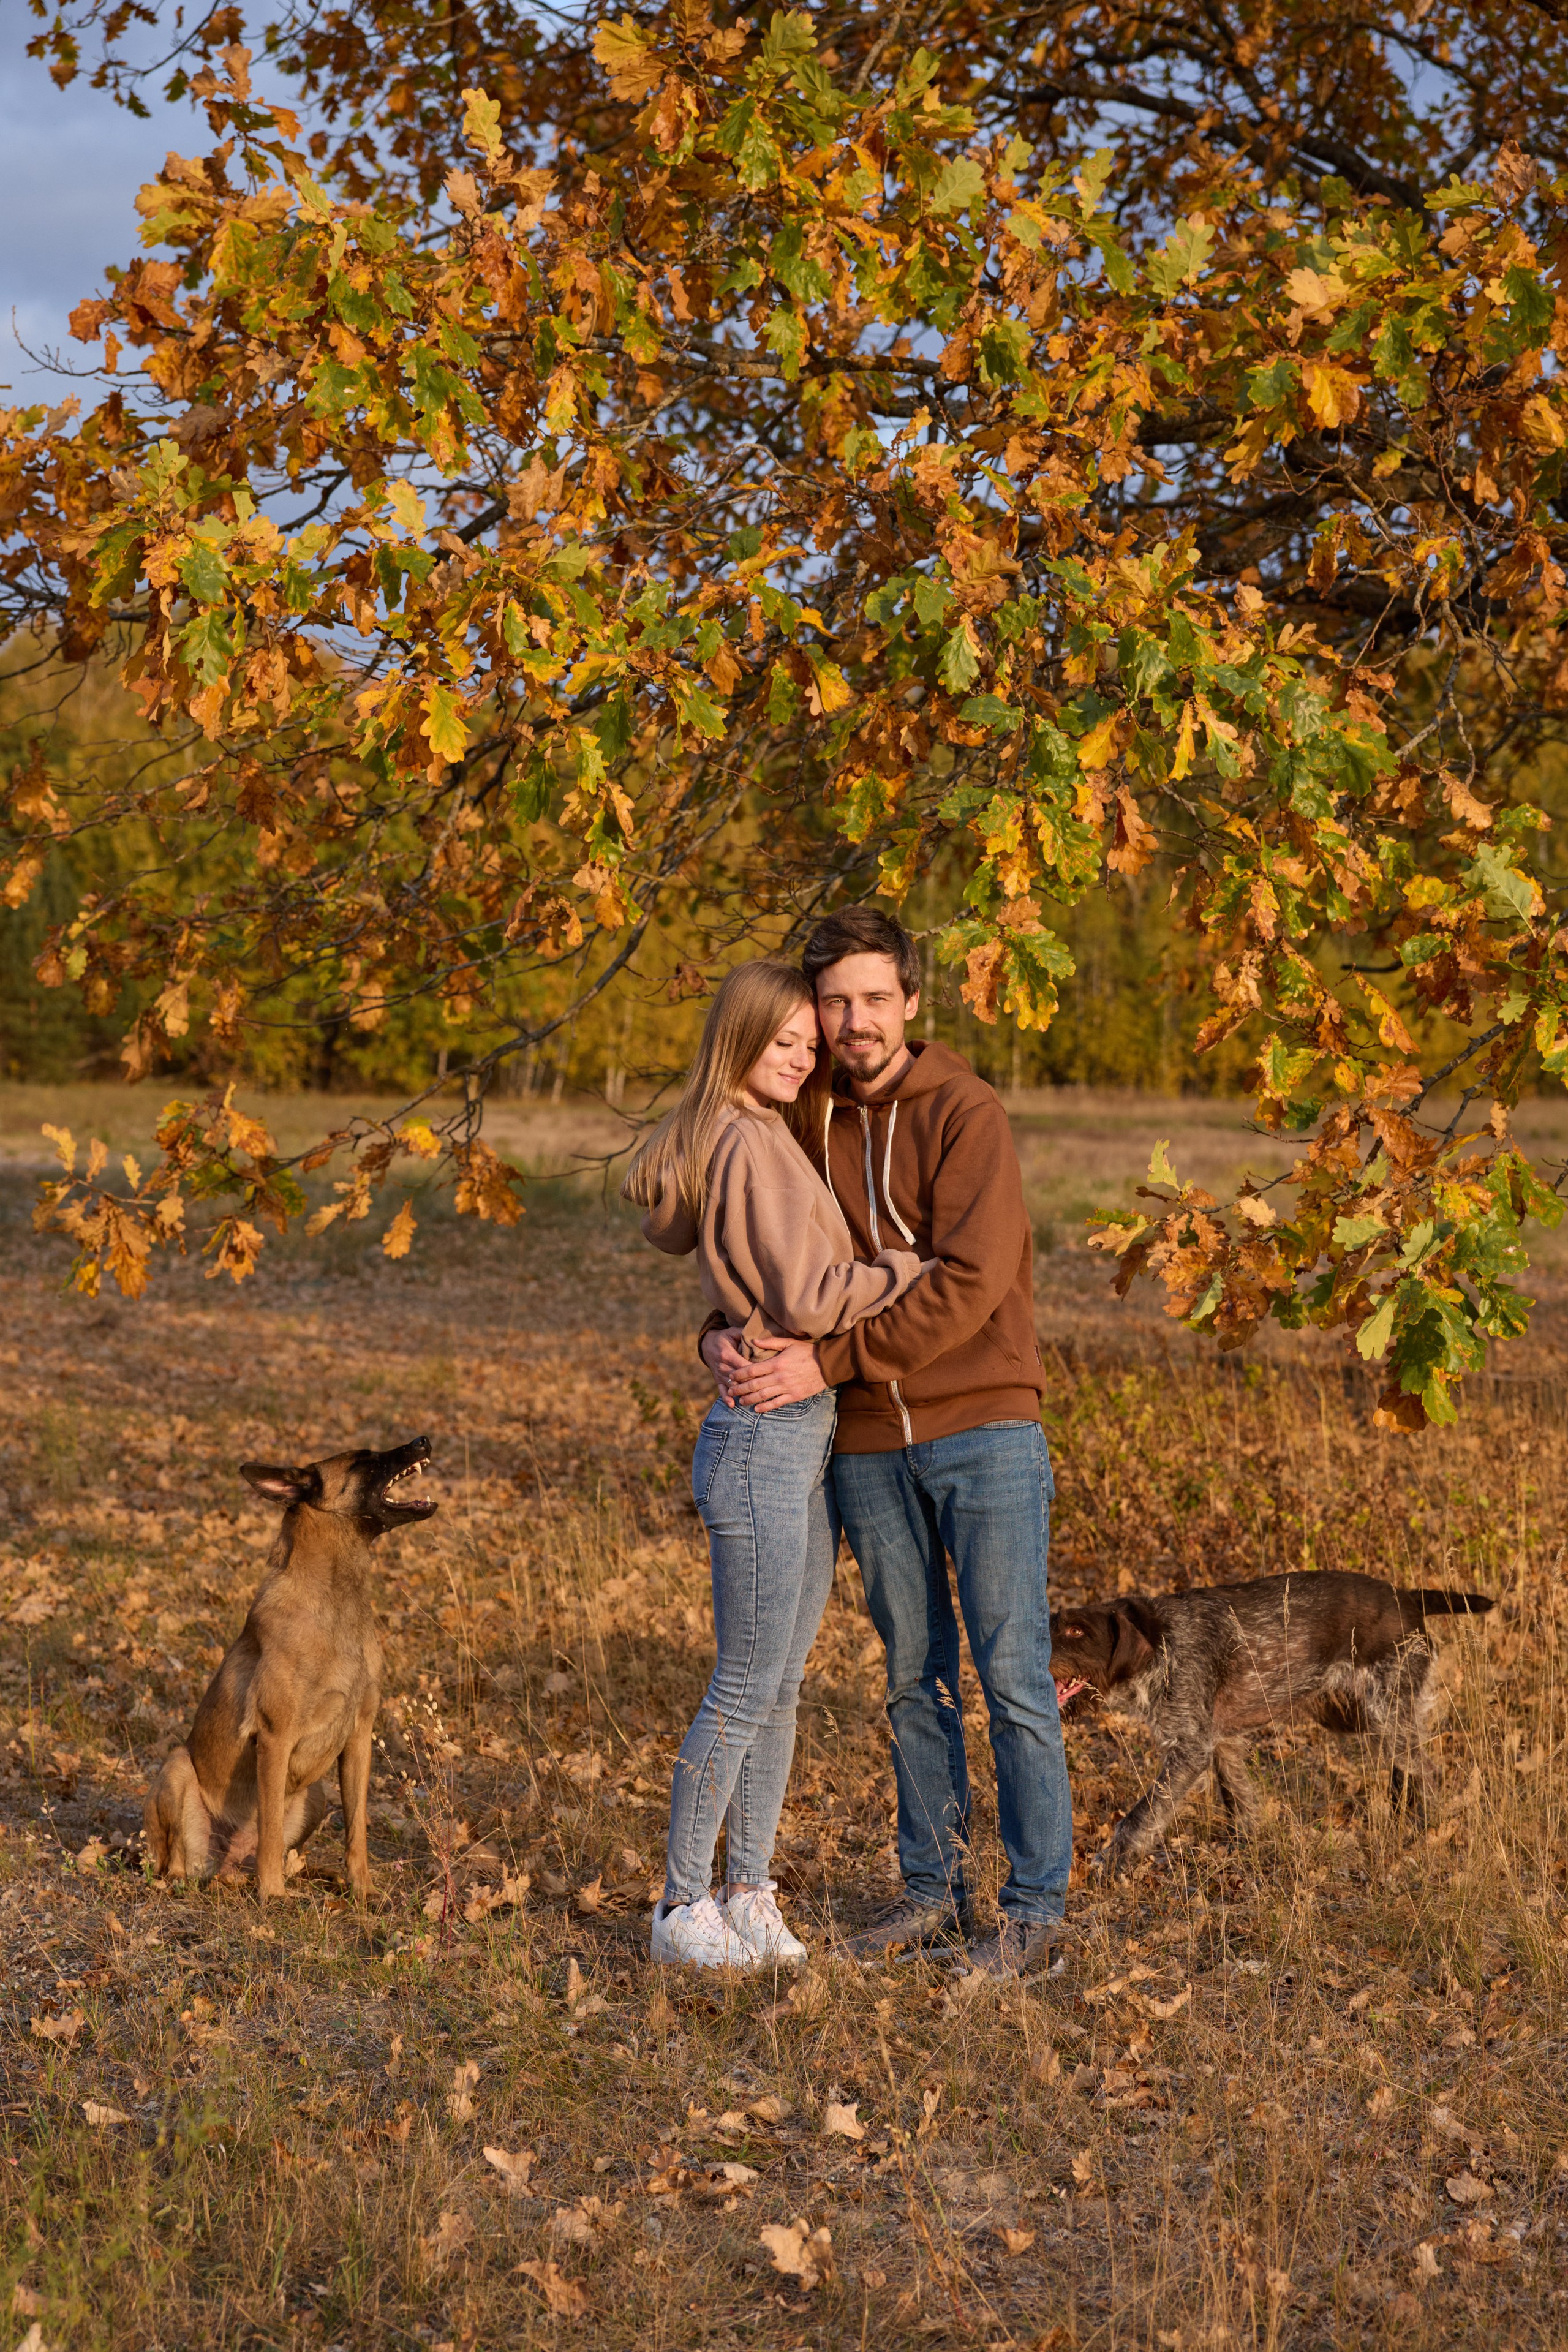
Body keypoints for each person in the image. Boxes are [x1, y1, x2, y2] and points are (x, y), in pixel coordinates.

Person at [700, 908, 1073, 1978]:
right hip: (864, 1442)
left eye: (874, 999)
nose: (854, 1021)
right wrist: (721, 1335)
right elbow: (743, 1243)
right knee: (912, 1678)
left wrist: (824, 1362)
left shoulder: (966, 1113)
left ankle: (1034, 1909)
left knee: (1010, 1675)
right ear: (810, 1007)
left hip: (983, 1425)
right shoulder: (797, 1113)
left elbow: (970, 1280)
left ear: (912, 1001)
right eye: (835, 1001)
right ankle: (932, 1893)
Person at [623, 959, 932, 1970]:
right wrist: (910, 1266)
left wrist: (724, 1323)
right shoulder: (749, 1139)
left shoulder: (749, 1133)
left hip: (798, 1437)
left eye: (811, 1042)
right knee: (747, 1681)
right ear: (738, 1040)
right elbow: (803, 1298)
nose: (804, 1056)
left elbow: (710, 1254)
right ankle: (680, 1905)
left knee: (780, 1684)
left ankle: (748, 1888)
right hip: (763, 1442)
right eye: (784, 1041)